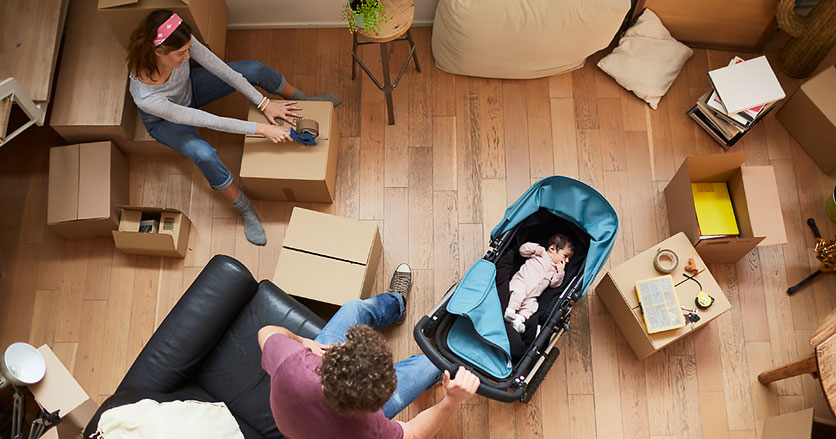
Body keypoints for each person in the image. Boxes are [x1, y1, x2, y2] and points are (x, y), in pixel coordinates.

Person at [126, 10, 340, 246]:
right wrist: (261, 129)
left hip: (190, 89)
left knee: (255, 69)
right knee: (204, 154)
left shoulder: (180, 40)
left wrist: (264, 102)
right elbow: (205, 120)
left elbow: (223, 70)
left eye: (188, 50)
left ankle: (306, 100)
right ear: (159, 52)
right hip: (165, 120)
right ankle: (245, 208)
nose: (188, 56)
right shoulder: (145, 97)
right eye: (181, 53)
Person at [258, 263, 480, 439]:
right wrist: (451, 400)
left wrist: (303, 341)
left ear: (333, 354)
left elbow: (266, 332)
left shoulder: (292, 362)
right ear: (375, 407)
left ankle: (396, 303)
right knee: (431, 364)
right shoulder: (367, 429)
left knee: (353, 309)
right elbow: (412, 432)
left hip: (300, 421)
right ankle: (440, 373)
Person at [503, 233, 574, 333]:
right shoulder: (541, 254)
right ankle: (510, 310)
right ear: (552, 248)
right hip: (522, 282)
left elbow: (554, 284)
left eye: (569, 259)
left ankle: (519, 320)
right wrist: (535, 248)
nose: (566, 261)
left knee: (533, 306)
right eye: (565, 256)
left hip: (533, 295)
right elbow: (522, 250)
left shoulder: (555, 269)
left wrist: (560, 273)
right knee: (518, 293)